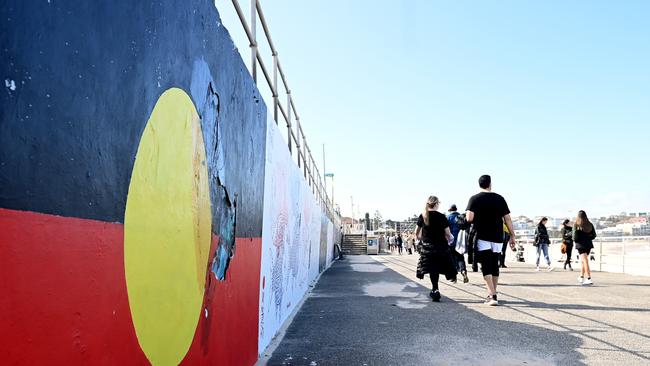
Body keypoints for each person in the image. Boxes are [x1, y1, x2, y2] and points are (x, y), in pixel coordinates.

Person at [466, 175, 516, 306]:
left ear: (479, 184)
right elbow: (508, 218)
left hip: (482, 235)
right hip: (498, 236)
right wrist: (512, 235)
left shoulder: (474, 199)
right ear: (490, 184)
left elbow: (469, 218)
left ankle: (492, 295)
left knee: (486, 265)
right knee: (494, 264)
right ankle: (493, 293)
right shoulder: (499, 198)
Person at [416, 196, 457, 302]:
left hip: (427, 248)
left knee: (432, 269)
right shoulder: (441, 216)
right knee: (444, 266)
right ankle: (451, 277)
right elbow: (448, 233)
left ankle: (435, 289)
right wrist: (451, 239)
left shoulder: (423, 215)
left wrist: (421, 239)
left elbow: (417, 232)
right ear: (436, 204)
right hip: (441, 247)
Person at [573, 210, 596, 285]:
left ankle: (589, 278)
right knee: (583, 261)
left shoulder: (576, 224)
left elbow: (575, 237)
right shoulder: (590, 224)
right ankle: (581, 276)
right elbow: (594, 235)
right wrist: (588, 238)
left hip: (581, 245)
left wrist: (577, 239)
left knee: (585, 261)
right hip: (588, 244)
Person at [447, 204, 469, 283]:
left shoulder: (448, 217)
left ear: (450, 210)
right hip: (460, 241)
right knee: (460, 258)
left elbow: (446, 230)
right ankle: (463, 271)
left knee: (452, 259)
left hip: (451, 242)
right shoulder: (461, 216)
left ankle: (454, 278)